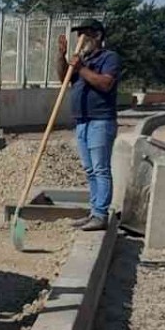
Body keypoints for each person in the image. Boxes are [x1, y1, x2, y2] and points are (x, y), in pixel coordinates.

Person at [57, 18, 120, 232]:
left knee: (101, 168)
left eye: (85, 34)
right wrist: (62, 56)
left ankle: (101, 215)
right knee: (90, 169)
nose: (80, 39)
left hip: (100, 120)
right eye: (78, 35)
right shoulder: (82, 60)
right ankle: (94, 212)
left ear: (98, 36)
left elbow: (105, 83)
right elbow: (64, 78)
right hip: (82, 121)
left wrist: (81, 68)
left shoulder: (109, 58)